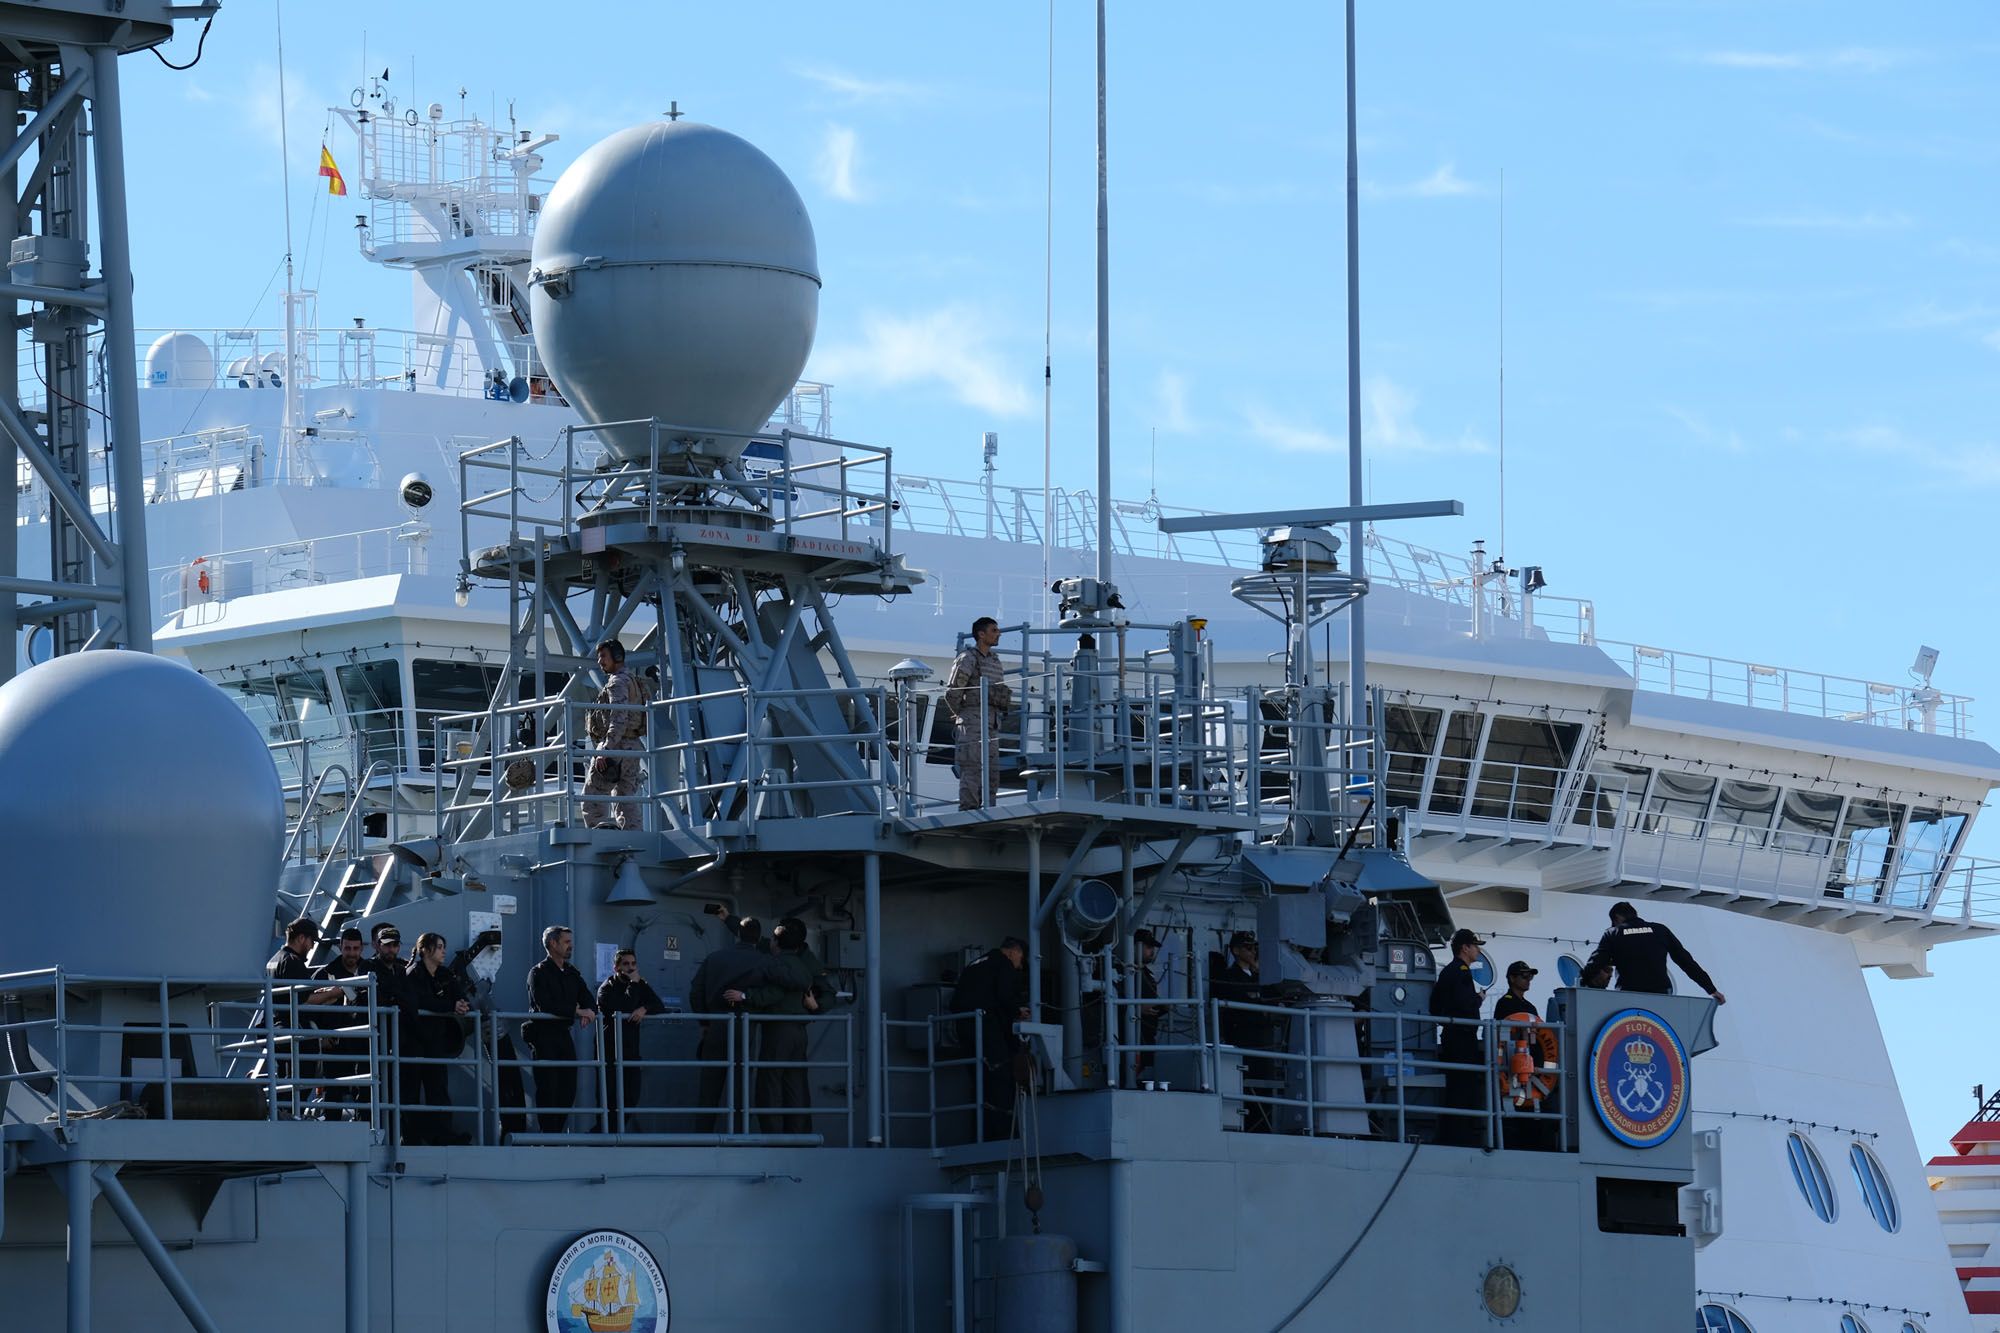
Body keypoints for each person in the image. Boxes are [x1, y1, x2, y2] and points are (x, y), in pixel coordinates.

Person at [688, 917, 779, 1132]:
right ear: (758, 937)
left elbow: (696, 991)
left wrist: (704, 1021)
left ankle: (702, 1136)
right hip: (745, 1026)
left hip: (715, 1025)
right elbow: (773, 993)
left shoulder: (715, 958)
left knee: (709, 1086)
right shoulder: (764, 961)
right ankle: (740, 1136)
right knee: (741, 1087)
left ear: (737, 934)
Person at [746, 918, 823, 1135]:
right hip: (798, 1031)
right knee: (796, 1085)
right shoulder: (802, 961)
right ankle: (800, 1137)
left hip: (778, 1029)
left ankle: (773, 1137)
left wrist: (745, 996)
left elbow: (774, 993)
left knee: (769, 1084)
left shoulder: (776, 963)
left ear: (776, 942)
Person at [950, 936, 1029, 1140]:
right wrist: (1018, 1009)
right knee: (1000, 1077)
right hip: (986, 1027)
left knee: (979, 1080)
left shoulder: (977, 964)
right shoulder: (1003, 964)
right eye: (1022, 959)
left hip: (965, 1028)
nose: (1020, 966)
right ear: (1014, 952)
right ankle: (1002, 1136)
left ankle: (980, 1134)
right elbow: (1004, 996)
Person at [524, 925, 598, 1133]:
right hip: (544, 1036)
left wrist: (588, 1011)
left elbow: (588, 998)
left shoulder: (571, 973)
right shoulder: (538, 973)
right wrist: (576, 1012)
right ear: (552, 944)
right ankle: (548, 1136)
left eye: (570, 942)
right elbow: (544, 1004)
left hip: (563, 1035)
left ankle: (556, 1133)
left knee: (568, 1088)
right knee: (548, 1087)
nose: (570, 946)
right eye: (566, 942)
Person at [401, 932, 472, 1145]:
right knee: (411, 1091)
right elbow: (418, 1001)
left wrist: (461, 1004)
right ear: (426, 950)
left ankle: (443, 1135)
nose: (443, 951)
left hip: (435, 1041)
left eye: (443, 946)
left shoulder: (444, 975)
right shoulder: (412, 974)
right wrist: (450, 1006)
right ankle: (411, 1138)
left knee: (438, 1088)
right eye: (439, 947)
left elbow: (460, 996)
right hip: (413, 1042)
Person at [1584, 902, 1727, 1004]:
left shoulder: (1613, 933)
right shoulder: (1660, 930)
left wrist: (1581, 982)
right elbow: (1685, 961)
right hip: (1661, 995)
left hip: (1629, 995)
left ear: (1617, 918)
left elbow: (1597, 962)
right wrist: (1711, 989)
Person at [1211, 931, 1278, 1133]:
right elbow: (1240, 1008)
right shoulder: (1229, 977)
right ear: (1236, 951)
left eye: (1255, 947)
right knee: (1245, 1087)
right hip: (1244, 1040)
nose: (1253, 951)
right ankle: (1247, 1128)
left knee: (1265, 1087)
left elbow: (1275, 998)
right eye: (1248, 947)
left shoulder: (1261, 977)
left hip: (1264, 1041)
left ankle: (1264, 1128)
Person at [582, 639, 650, 831]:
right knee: (625, 797)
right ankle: (632, 836)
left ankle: (598, 833)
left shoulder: (617, 682)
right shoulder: (634, 681)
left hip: (616, 746)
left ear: (617, 657)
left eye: (603, 656)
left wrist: (606, 750)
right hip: (632, 747)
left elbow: (618, 717)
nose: (600, 662)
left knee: (592, 795)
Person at [944, 616, 1010, 810]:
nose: (999, 634)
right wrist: (961, 716)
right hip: (972, 721)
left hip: (992, 722)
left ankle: (989, 808)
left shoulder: (995, 661)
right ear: (981, 634)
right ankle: (969, 810)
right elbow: (953, 693)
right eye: (994, 630)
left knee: (992, 771)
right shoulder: (968, 658)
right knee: (972, 767)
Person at [596, 948, 666, 1130]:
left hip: (631, 1050)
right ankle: (603, 1135)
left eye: (633, 964)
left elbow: (659, 1005)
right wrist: (634, 985)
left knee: (631, 1097)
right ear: (616, 967)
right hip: (609, 1052)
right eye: (626, 964)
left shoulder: (639, 984)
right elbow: (624, 1007)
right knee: (609, 1098)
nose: (631, 968)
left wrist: (644, 1008)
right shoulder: (606, 989)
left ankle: (615, 1134)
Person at [1429, 928, 1487, 1147]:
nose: (1479, 951)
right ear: (1465, 948)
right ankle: (1459, 1138)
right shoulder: (1461, 971)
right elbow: (1466, 1004)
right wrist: (1479, 998)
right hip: (1461, 1039)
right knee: (1463, 1089)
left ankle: (1451, 1135)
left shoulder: (1449, 971)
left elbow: (1435, 1006)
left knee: (1455, 1088)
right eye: (1476, 945)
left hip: (1452, 1037)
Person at [1493, 961, 1556, 1150]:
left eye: (1531, 976)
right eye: (1524, 976)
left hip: (1531, 1069)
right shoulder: (1505, 1004)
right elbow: (1500, 1037)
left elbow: (1541, 1036)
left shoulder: (1530, 1007)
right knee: (1514, 1110)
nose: (1528, 980)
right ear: (1512, 978)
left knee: (1533, 1111)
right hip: (1511, 1068)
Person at [309, 928, 368, 1110]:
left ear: (361, 949)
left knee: (364, 1092)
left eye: (355, 949)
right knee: (333, 1094)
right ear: (341, 947)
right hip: (334, 1044)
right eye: (347, 948)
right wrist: (321, 1036)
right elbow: (309, 1008)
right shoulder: (324, 974)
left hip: (363, 1044)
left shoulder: (370, 971)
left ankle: (364, 1130)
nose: (351, 953)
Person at [1133, 928, 1167, 1079]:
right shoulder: (1120, 970)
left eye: (1152, 947)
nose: (1152, 951)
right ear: (1135, 946)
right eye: (1148, 947)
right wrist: (1137, 1009)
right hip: (1130, 1036)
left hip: (1147, 1035)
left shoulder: (1146, 974)